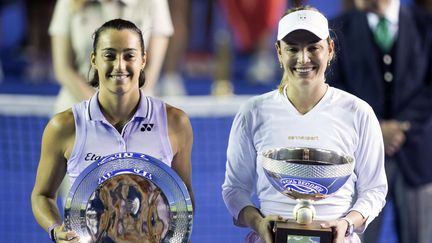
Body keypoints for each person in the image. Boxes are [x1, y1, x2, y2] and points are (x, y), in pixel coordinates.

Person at [221, 6, 388, 243]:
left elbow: (374, 190)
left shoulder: (359, 112)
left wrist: (346, 223)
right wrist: (259, 223)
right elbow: (234, 189)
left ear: (329, 49)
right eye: (292, 49)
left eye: (313, 48)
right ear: (278, 52)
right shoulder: (253, 112)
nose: (303, 58)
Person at [31, 19, 194, 242]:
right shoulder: (64, 127)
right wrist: (55, 229)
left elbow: (183, 196)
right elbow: (42, 195)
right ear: (94, 60)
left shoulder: (175, 123)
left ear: (143, 60)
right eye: (109, 55)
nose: (119, 65)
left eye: (129, 56)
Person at [329, 0, 432, 242]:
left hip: (416, 159)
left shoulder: (426, 25)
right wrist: (375, 128)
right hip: (359, 161)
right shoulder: (336, 30)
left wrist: (401, 126)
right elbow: (333, 89)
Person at [49, 0, 173, 113]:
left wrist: (128, 111)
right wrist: (98, 109)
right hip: (76, 106)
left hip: (136, 111)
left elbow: (151, 68)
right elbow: (63, 69)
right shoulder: (67, 2)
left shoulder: (155, 2)